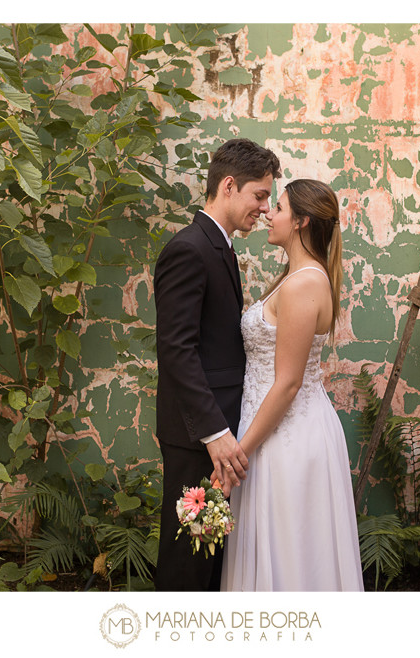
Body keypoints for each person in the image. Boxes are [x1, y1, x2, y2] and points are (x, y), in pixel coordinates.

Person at [219, 178, 364, 591]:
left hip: (287, 438)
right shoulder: (295, 277)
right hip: (267, 430)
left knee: (291, 554)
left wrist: (236, 457)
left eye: (277, 207)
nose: (268, 213)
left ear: (300, 222)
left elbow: (288, 384)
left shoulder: (304, 284)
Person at [153, 138, 281, 591]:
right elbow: (177, 350)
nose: (265, 209)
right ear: (229, 185)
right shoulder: (189, 249)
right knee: (187, 562)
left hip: (221, 432)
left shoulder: (221, 247)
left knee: (209, 565)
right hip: (198, 437)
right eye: (260, 195)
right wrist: (215, 433)